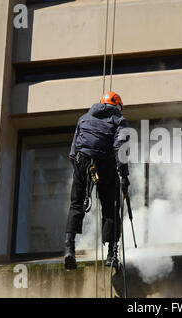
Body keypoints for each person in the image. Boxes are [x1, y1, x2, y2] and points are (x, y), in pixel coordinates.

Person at [64, 91, 130, 270]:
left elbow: (73, 148)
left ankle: (69, 247)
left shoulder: (84, 117)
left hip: (82, 161)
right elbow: (120, 147)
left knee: (76, 204)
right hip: (105, 163)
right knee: (110, 207)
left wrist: (78, 171)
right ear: (118, 106)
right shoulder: (120, 121)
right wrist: (123, 174)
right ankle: (112, 252)